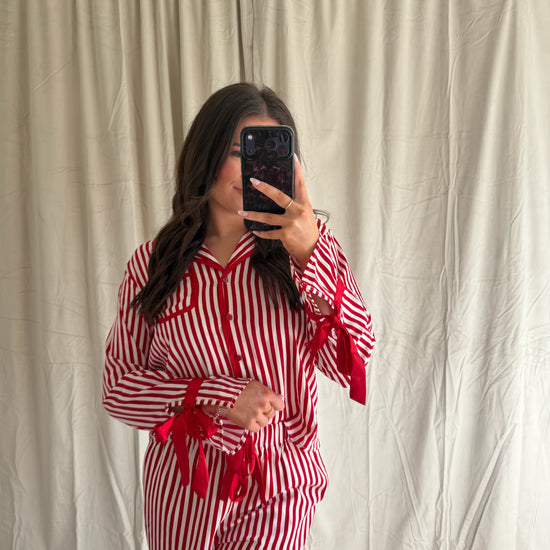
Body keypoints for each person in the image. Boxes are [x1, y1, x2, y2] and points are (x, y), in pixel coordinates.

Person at [103, 82, 375, 550]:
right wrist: (216, 397)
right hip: (183, 492)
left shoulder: (307, 252)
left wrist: (311, 254)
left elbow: (353, 360)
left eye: (269, 153)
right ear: (206, 154)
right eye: (238, 152)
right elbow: (119, 389)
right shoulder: (152, 264)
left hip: (280, 488)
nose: (253, 169)